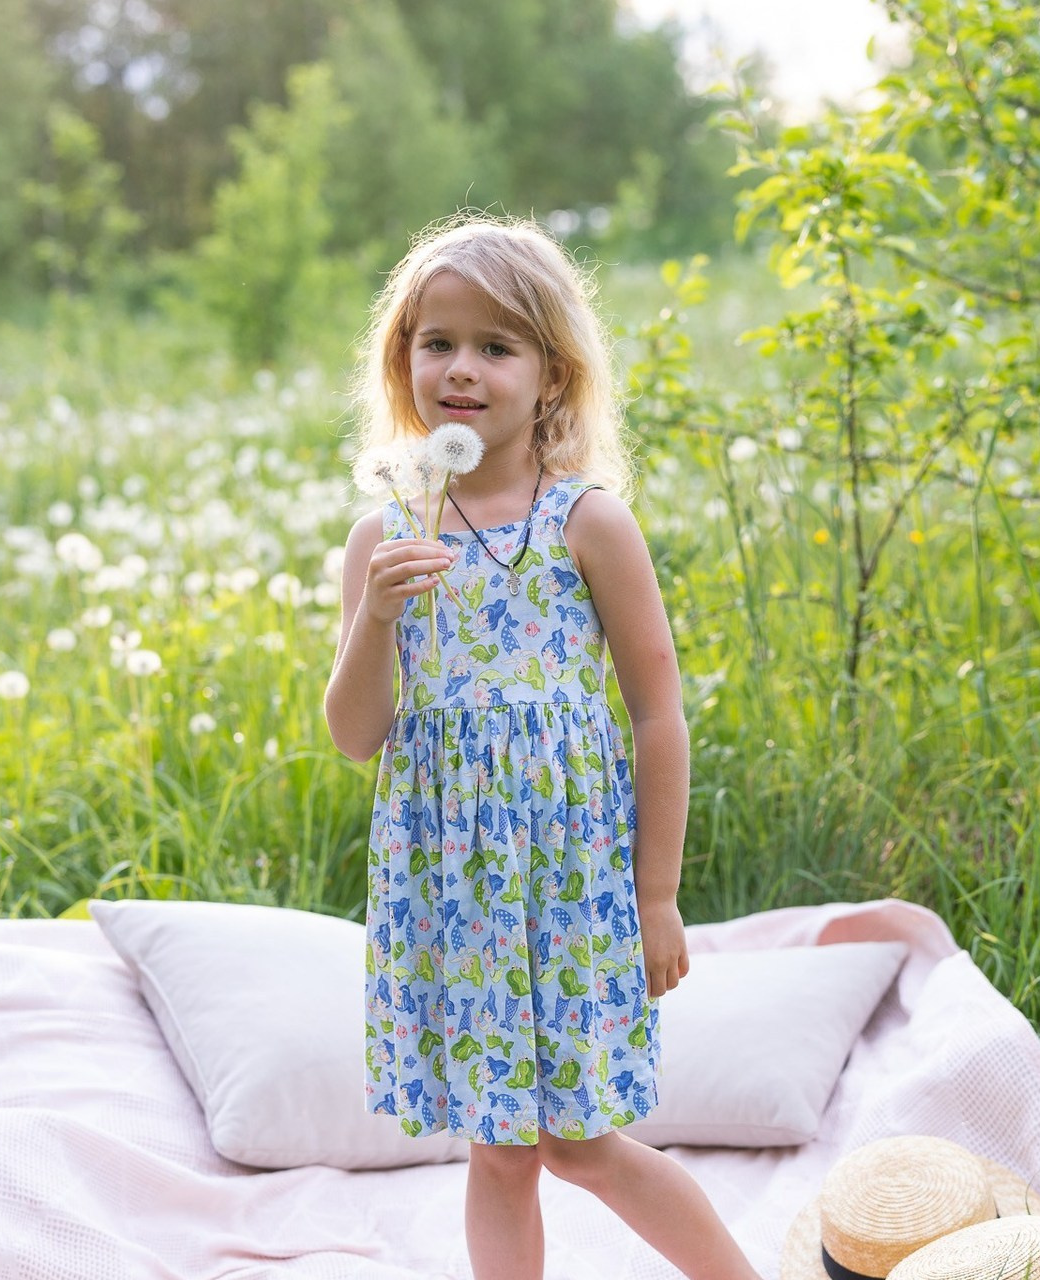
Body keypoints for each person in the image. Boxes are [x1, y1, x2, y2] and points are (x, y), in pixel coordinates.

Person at [324, 216, 759, 1280]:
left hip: (568, 881)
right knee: (500, 1148)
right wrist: (374, 616)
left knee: (580, 1142)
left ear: (552, 374)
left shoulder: (585, 523)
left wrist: (657, 894)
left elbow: (657, 713)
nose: (461, 369)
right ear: (403, 360)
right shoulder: (385, 536)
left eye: (496, 346)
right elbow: (355, 736)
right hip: (451, 887)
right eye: (437, 343)